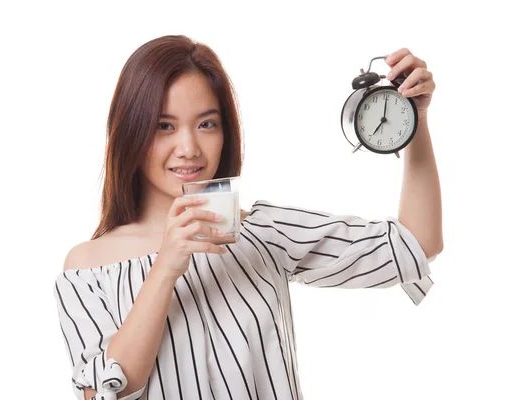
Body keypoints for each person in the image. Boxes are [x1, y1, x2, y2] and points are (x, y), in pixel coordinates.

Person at [53, 35, 443, 400]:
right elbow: (104, 392)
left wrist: (415, 120)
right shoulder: (89, 266)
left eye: (207, 124)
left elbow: (416, 244)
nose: (188, 148)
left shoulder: (263, 233)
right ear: (131, 132)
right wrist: (165, 267)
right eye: (164, 126)